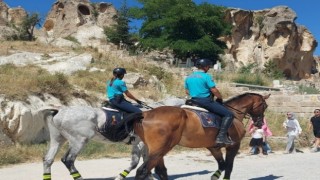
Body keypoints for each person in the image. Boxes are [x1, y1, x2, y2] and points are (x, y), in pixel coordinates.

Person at [184, 58, 234, 145]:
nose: (209, 68)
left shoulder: (189, 77)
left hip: (192, 101)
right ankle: (221, 137)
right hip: (205, 101)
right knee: (229, 114)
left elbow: (187, 91)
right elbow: (214, 90)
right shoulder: (206, 76)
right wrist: (220, 97)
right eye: (208, 67)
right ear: (205, 67)